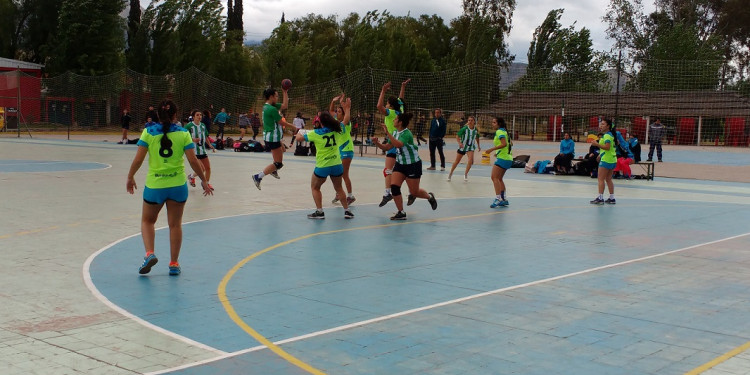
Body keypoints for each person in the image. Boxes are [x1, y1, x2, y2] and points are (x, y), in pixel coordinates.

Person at [126, 100, 214, 276]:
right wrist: (204, 180)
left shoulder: (148, 132)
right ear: (176, 115)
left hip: (155, 185)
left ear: (158, 115)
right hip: (178, 186)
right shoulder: (183, 133)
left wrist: (130, 177)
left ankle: (150, 253)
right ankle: (174, 263)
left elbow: (138, 159)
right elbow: (192, 160)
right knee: (175, 225)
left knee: (147, 221)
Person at [371, 112, 437, 220]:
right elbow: (387, 147)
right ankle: (401, 212)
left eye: (395, 119)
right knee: (394, 187)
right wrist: (376, 143)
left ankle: (430, 197)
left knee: (414, 191)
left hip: (413, 164)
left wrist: (387, 132)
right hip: (400, 164)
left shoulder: (407, 134)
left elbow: (398, 144)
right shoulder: (395, 133)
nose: (393, 120)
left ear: (400, 122)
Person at [296, 102, 354, 220]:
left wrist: (299, 131)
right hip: (336, 164)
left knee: (315, 187)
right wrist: (347, 109)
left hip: (323, 165)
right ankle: (347, 211)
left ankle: (320, 211)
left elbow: (299, 138)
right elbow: (346, 120)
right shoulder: (338, 128)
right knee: (339, 188)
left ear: (321, 122)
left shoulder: (315, 133)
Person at [251, 87, 295, 189]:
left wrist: (285, 92)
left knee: (282, 150)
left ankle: (273, 170)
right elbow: (281, 122)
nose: (277, 98)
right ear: (271, 97)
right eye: (276, 96)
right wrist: (293, 127)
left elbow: (285, 105)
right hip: (272, 137)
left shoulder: (268, 106)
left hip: (272, 137)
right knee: (278, 163)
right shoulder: (271, 109)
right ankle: (258, 176)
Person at [376, 79, 410, 207]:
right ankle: (411, 191)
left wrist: (383, 90)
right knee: (400, 170)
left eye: (387, 103)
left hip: (394, 141)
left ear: (390, 105)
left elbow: (379, 107)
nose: (386, 104)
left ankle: (387, 193)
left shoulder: (391, 114)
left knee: (389, 170)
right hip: (399, 140)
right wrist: (403, 87)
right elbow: (400, 99)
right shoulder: (400, 109)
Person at [330, 95, 356, 205]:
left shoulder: (346, 123)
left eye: (339, 112)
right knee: (338, 174)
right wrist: (333, 101)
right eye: (337, 111)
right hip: (340, 150)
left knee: (344, 174)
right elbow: (331, 111)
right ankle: (339, 193)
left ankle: (350, 196)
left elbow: (346, 118)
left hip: (347, 150)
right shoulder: (336, 122)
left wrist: (347, 108)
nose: (337, 113)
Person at [483, 117, 513, 208]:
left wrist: (491, 150)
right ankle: (504, 199)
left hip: (503, 158)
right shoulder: (505, 131)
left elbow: (504, 144)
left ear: (499, 124)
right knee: (499, 179)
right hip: (508, 158)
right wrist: (499, 152)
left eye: (494, 122)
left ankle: (498, 198)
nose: (492, 124)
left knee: (494, 177)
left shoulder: (499, 132)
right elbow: (511, 144)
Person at [184, 109, 216, 188]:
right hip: (194, 151)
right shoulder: (189, 126)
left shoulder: (203, 125)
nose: (199, 116)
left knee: (207, 168)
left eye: (200, 115)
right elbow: (184, 137)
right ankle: (192, 177)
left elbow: (205, 136)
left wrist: (210, 145)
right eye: (197, 115)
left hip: (202, 150)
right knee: (201, 168)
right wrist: (192, 140)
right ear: (193, 117)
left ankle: (206, 183)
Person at [589, 118, 617, 205]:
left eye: (603, 124)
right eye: (601, 124)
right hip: (611, 159)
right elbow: (609, 149)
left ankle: (600, 198)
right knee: (608, 179)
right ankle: (612, 198)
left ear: (608, 126)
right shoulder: (610, 135)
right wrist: (600, 155)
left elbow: (607, 147)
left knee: (600, 179)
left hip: (606, 160)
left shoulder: (607, 136)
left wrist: (596, 144)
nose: (601, 126)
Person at [447, 115, 480, 181]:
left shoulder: (475, 130)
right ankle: (450, 173)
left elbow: (477, 137)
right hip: (463, 147)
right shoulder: (464, 129)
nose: (470, 122)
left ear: (474, 122)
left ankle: (465, 174)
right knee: (457, 161)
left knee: (470, 161)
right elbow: (457, 136)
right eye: (469, 120)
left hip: (470, 147)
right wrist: (459, 143)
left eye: (471, 120)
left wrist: (479, 145)